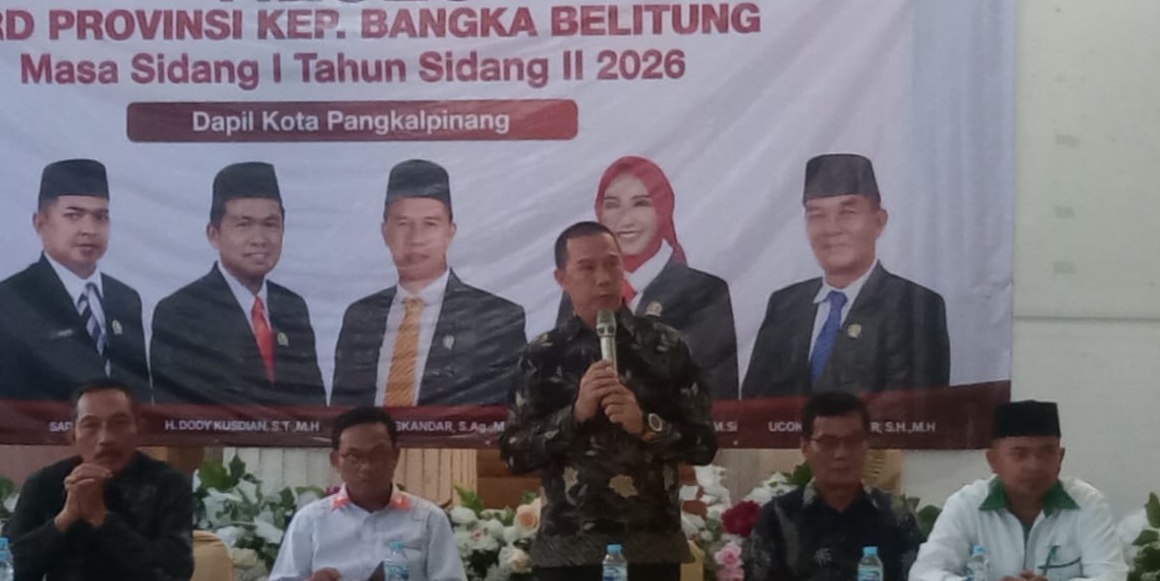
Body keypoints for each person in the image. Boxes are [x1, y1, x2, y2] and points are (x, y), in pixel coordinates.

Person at [502, 221, 717, 581]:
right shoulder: (543, 355)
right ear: (562, 279)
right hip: (569, 550)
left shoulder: (666, 345)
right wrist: (576, 413)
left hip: (652, 550)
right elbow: (515, 453)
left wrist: (646, 425)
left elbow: (704, 444)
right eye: (586, 267)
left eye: (612, 264)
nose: (602, 278)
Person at [742, 153, 950, 398]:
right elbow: (754, 402)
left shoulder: (914, 305)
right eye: (817, 215)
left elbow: (912, 408)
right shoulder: (785, 304)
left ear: (879, 221)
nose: (831, 229)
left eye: (848, 212)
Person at [331, 159, 527, 407]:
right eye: (403, 224)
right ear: (385, 232)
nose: (416, 239)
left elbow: (511, 413)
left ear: (450, 232)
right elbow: (340, 412)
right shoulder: (360, 316)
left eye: (430, 224)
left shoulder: (495, 317)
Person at [908, 399, 1129, 581]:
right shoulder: (966, 504)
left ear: (1060, 458)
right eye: (1019, 454)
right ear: (993, 460)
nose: (1034, 466)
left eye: (1047, 452)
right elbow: (922, 579)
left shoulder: (1088, 504)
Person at [556, 156, 739, 400]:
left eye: (640, 203)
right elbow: (556, 384)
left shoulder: (703, 291)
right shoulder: (578, 291)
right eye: (612, 205)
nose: (625, 219)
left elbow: (717, 396)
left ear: (662, 209)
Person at [0, 159, 148, 402]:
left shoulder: (125, 299)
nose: (89, 229)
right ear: (40, 222)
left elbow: (140, 397)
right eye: (73, 216)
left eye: (100, 217)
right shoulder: (2, 302)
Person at [150, 162, 324, 406]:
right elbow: (176, 412)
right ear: (214, 234)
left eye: (270, 224)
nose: (259, 239)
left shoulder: (292, 306)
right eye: (244, 224)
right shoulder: (180, 311)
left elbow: (314, 405)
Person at [3, 379, 194, 581]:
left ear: (139, 430)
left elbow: (172, 580)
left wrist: (103, 520)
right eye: (90, 425)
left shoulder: (168, 483)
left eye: (119, 424)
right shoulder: (45, 484)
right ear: (73, 434)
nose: (105, 439)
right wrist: (64, 520)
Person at [268, 406, 470, 581]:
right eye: (354, 456)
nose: (367, 467)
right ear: (335, 461)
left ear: (395, 456)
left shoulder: (429, 519)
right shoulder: (310, 520)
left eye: (378, 454)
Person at [742, 390, 923, 581]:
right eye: (828, 442)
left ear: (867, 444)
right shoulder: (778, 517)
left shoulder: (896, 515)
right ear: (805, 447)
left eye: (853, 441)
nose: (841, 453)